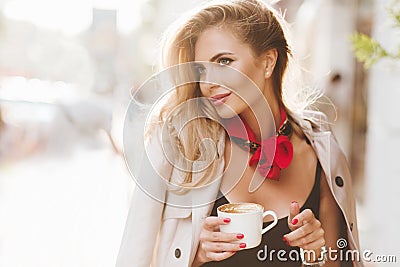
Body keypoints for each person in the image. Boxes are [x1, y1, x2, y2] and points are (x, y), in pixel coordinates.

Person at [116, 0, 364, 266]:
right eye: (201, 69)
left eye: (224, 61)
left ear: (268, 62)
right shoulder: (179, 145)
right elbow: (135, 255)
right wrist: (196, 256)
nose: (208, 83)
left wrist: (316, 252)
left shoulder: (322, 152)